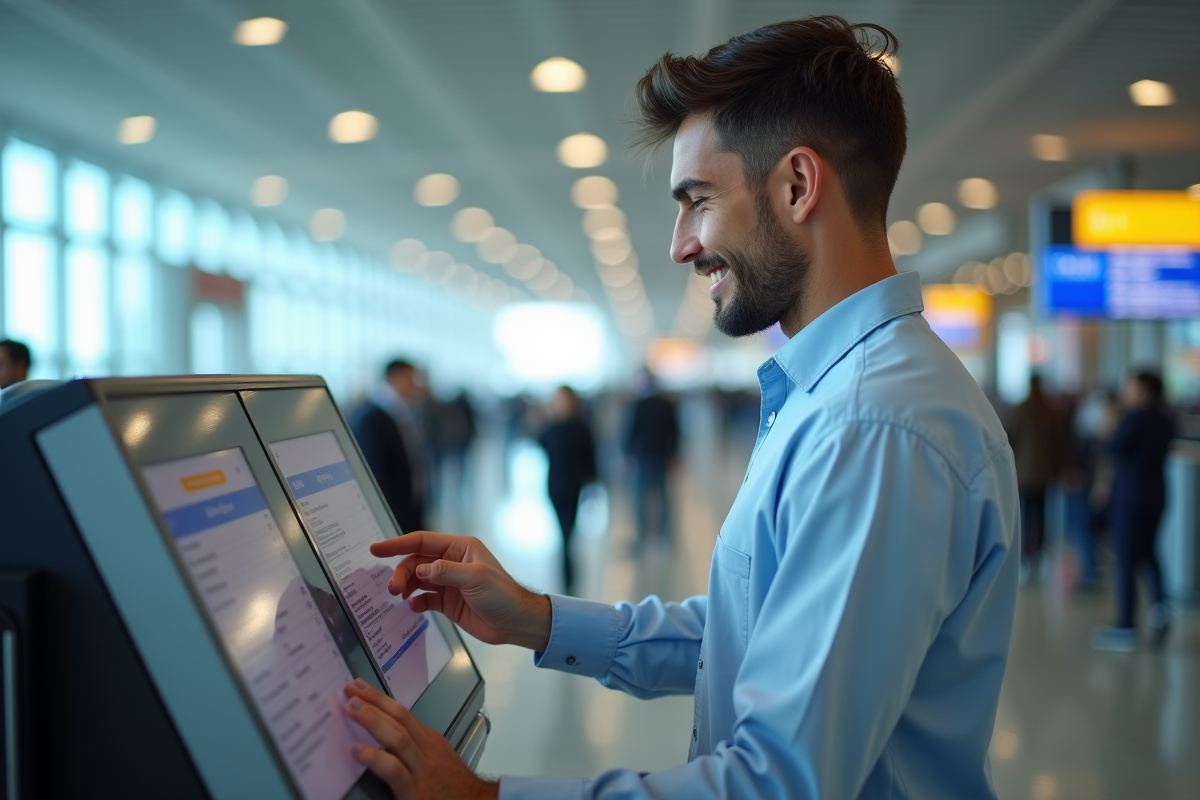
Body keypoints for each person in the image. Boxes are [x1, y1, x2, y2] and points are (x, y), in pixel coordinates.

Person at [340, 17, 1019, 799]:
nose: (680, 244)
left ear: (798, 186)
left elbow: (776, 784)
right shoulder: (839, 398)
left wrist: (487, 798)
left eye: (696, 200)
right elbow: (755, 634)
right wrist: (537, 618)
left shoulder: (873, 428)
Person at [1092, 371, 1176, 652]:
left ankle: (1126, 625)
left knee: (1126, 558)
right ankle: (1159, 609)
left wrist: (1109, 426)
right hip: (1157, 495)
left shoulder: (1133, 418)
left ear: (1143, 389)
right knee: (1150, 552)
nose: (1126, 391)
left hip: (1130, 498)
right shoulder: (1166, 418)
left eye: (1130, 386)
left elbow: (1111, 447)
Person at [347, 360, 430, 534]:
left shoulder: (401, 411)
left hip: (408, 512)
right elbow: (375, 477)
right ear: (396, 377)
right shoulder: (371, 419)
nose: (417, 384)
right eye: (412, 378)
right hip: (392, 520)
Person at [1004, 374, 1067, 583]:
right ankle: (1038, 553)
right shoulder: (1052, 412)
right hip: (1045, 472)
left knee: (1022, 513)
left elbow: (1007, 439)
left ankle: (1024, 555)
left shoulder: (1017, 411)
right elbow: (1061, 444)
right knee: (1041, 513)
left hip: (1022, 471)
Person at [537, 386, 597, 595]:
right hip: (555, 488)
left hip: (574, 488)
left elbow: (591, 462)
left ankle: (568, 582)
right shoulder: (551, 428)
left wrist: (592, 492)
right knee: (564, 536)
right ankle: (567, 580)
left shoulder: (582, 428)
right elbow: (538, 443)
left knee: (567, 537)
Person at [624, 370, 679, 553]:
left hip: (644, 457)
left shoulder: (639, 405)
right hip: (661, 457)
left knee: (640, 499)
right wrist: (674, 454)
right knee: (663, 498)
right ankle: (663, 539)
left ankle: (642, 538)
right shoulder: (667, 405)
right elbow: (675, 432)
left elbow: (632, 431)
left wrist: (628, 454)